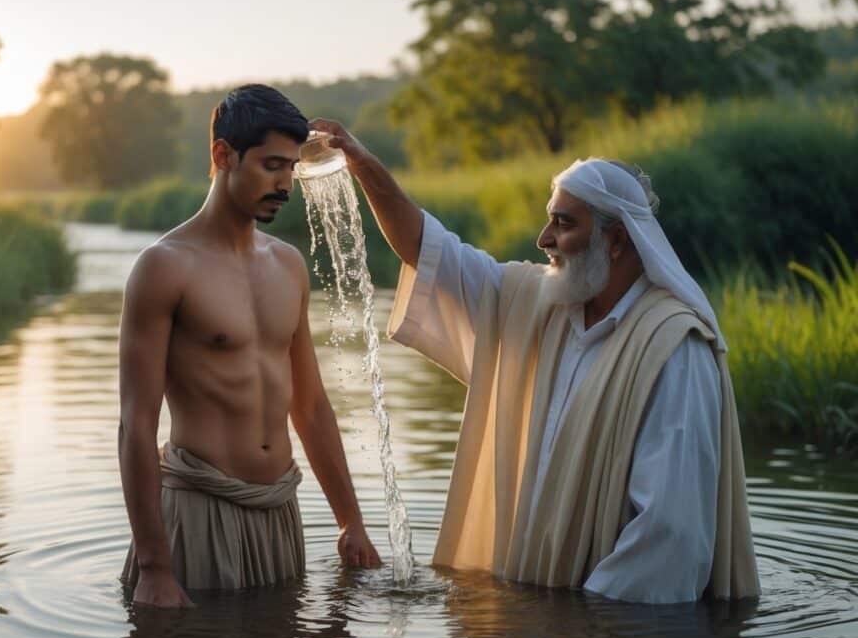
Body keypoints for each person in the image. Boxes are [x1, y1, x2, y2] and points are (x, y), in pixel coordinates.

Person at [309, 118, 760, 604]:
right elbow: (430, 250)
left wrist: (579, 628)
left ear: (617, 241)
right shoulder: (537, 304)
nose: (543, 238)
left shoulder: (671, 347)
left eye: (565, 224)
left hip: (613, 634)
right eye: (550, 219)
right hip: (533, 611)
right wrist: (364, 165)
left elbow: (669, 533)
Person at [118, 86, 380, 609]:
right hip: (198, 512)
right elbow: (136, 424)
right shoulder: (164, 266)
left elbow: (309, 406)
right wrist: (154, 567)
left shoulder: (288, 266)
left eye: (291, 169)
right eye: (271, 166)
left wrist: (350, 521)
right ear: (223, 155)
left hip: (279, 512)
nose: (285, 184)